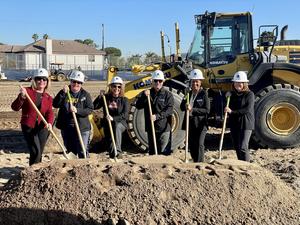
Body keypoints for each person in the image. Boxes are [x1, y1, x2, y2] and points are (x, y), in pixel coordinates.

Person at [11, 68, 54, 166]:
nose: (41, 81)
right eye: (39, 79)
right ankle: (33, 172)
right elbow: (15, 108)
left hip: (43, 127)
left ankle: (36, 170)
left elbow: (49, 112)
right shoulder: (27, 92)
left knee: (39, 152)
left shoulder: (48, 97)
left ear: (47, 81)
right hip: (29, 126)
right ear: (34, 80)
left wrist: (50, 123)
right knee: (35, 150)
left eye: (44, 79)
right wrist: (21, 97)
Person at [53, 70, 93, 158]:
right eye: (74, 81)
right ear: (70, 82)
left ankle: (85, 167)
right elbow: (55, 104)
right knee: (70, 150)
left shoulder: (85, 95)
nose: (76, 84)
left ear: (81, 83)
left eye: (78, 82)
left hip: (82, 127)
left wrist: (77, 110)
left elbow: (90, 109)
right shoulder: (64, 92)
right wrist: (62, 93)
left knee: (82, 150)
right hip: (67, 126)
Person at [135, 70, 174, 155]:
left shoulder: (168, 95)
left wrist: (157, 116)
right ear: (152, 81)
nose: (158, 83)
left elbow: (169, 110)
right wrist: (144, 97)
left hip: (164, 129)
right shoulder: (147, 93)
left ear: (163, 82)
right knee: (152, 153)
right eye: (156, 81)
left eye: (160, 81)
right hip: (151, 129)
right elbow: (138, 105)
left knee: (164, 154)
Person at [93, 76, 128, 159]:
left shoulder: (124, 100)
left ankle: (118, 152)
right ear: (111, 87)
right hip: (108, 123)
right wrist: (100, 97)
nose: (116, 88)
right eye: (114, 86)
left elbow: (125, 115)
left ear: (121, 88)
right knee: (109, 138)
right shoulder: (106, 98)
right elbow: (94, 106)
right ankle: (113, 155)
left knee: (116, 127)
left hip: (121, 123)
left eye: (119, 86)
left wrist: (113, 118)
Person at [180, 69, 210, 162]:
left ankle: (200, 163)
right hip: (191, 123)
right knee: (192, 144)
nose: (195, 84)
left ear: (200, 82)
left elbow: (207, 110)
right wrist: (185, 102)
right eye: (193, 82)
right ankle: (194, 160)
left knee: (200, 143)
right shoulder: (188, 93)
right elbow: (181, 107)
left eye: (197, 82)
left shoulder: (204, 94)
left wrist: (192, 109)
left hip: (201, 123)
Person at [224, 71, 255, 162]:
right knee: (237, 147)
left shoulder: (249, 94)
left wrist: (232, 112)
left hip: (245, 124)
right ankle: (240, 164)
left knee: (243, 146)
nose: (238, 84)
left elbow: (247, 109)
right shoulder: (232, 95)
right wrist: (226, 98)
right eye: (236, 82)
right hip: (235, 124)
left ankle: (247, 166)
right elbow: (228, 107)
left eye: (240, 82)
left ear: (244, 83)